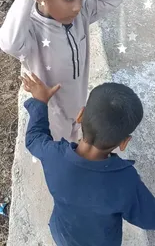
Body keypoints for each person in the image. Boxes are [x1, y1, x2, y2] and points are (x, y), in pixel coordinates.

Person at [0, 0, 122, 141]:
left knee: (78, 142)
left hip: (79, 102)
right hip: (52, 114)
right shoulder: (31, 29)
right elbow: (8, 43)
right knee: (60, 153)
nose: (76, 7)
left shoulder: (82, 14)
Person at [21, 72, 155, 246]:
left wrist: (40, 102)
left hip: (62, 234)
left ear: (80, 116)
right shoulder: (125, 181)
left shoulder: (53, 155)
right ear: (124, 142)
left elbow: (34, 138)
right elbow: (150, 218)